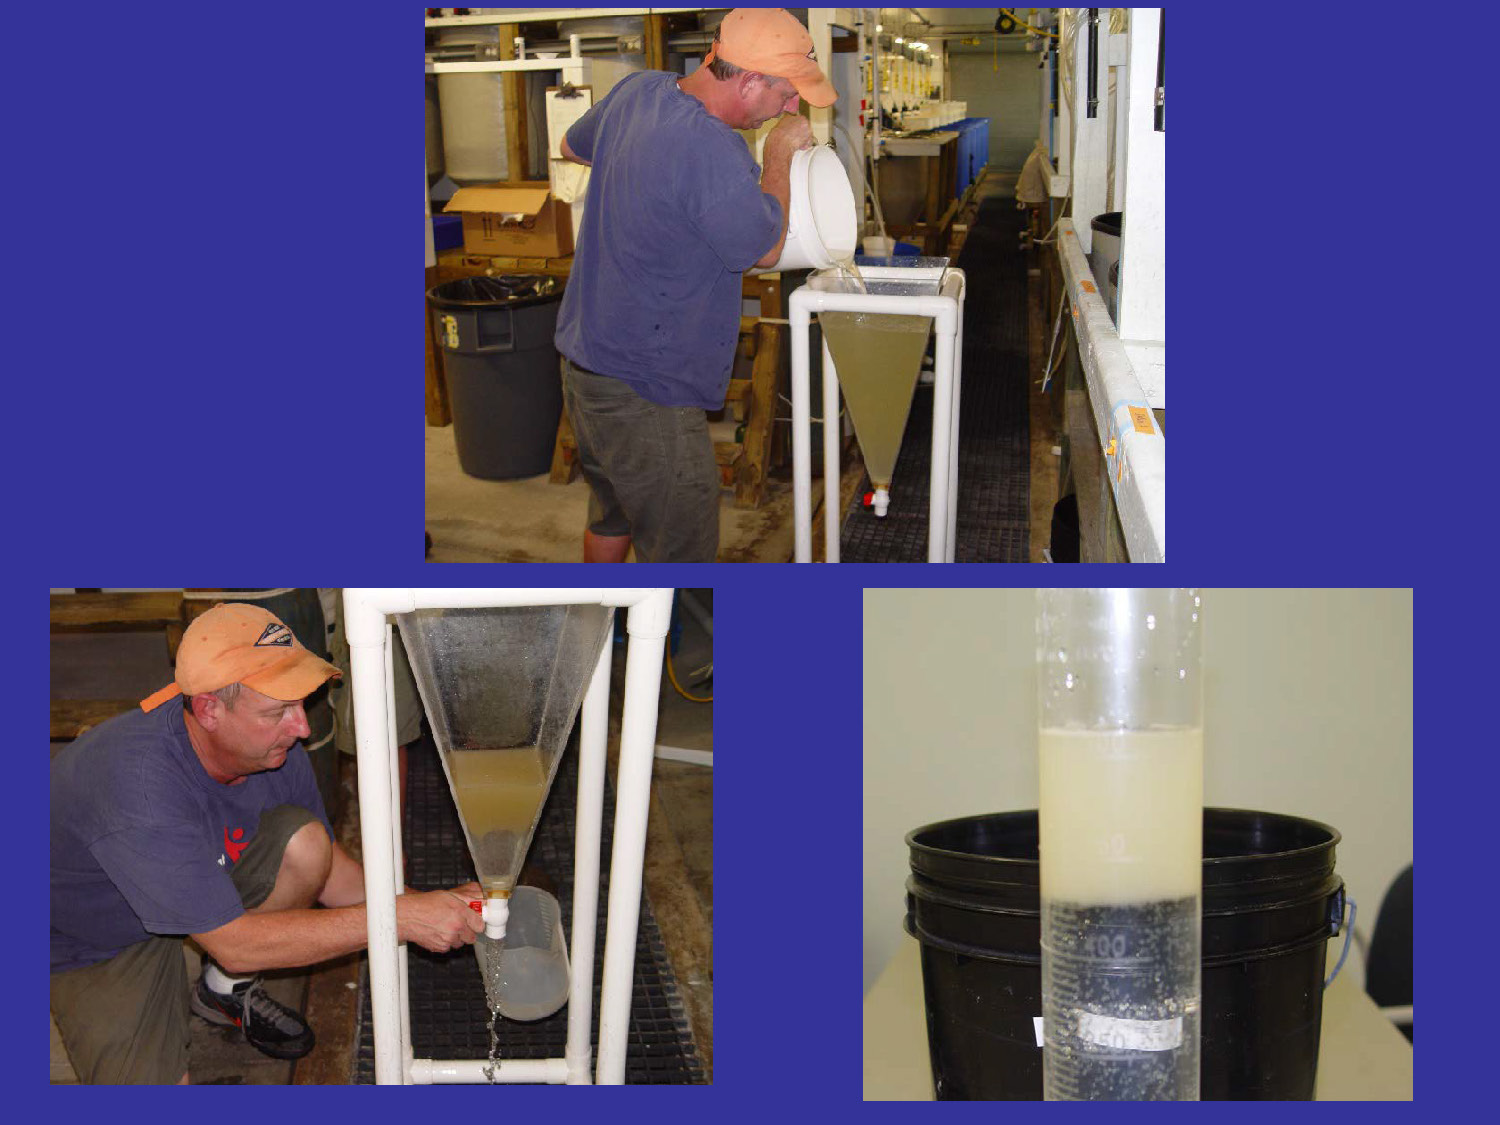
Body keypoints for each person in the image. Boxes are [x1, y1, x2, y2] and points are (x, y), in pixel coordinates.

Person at [50, 603, 483, 1085]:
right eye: (278, 711)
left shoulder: (272, 749)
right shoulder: (140, 789)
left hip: (190, 871)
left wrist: (433, 904)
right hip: (95, 939)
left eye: (300, 704)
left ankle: (222, 991)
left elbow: (333, 874)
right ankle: (207, 961)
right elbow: (235, 945)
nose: (302, 727)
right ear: (210, 709)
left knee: (307, 844)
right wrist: (399, 919)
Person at [555, 7, 837, 563]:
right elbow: (765, 248)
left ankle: (601, 635)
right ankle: (694, 653)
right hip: (645, 387)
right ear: (751, 80)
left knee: (613, 510)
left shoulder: (640, 90)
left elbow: (571, 146)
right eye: (785, 94)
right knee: (681, 547)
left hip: (586, 361)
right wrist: (777, 154)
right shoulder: (713, 148)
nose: (789, 107)